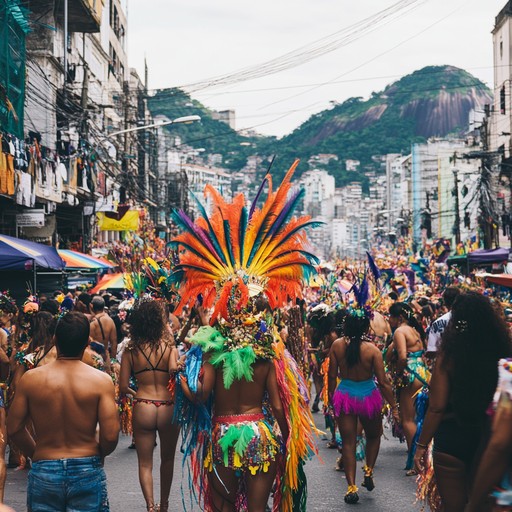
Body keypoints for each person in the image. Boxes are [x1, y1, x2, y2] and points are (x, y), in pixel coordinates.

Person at [6, 311, 119, 511]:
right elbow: (110, 436)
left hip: (45, 467)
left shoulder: (31, 379)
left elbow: (14, 428)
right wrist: (96, 454)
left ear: (55, 340)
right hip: (87, 466)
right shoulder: (101, 381)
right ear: (86, 344)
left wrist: (36, 453)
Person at [414, 292, 512, 512]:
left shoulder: (448, 355)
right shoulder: (503, 352)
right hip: (490, 437)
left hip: (452, 438)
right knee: (483, 505)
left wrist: (421, 446)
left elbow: (437, 407)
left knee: (454, 507)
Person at [328, 309, 399, 504]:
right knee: (374, 435)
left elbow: (332, 375)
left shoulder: (336, 346)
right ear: (366, 327)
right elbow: (383, 383)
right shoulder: (373, 350)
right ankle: (368, 470)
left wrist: (331, 400)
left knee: (349, 443)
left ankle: (351, 486)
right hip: (369, 396)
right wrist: (394, 406)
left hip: (345, 395)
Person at [119, 299, 179, 512]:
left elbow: (123, 385)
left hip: (143, 404)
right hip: (167, 405)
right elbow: (174, 375)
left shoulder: (130, 349)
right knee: (168, 459)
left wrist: (138, 394)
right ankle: (164, 505)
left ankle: (150, 506)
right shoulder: (170, 346)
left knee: (145, 463)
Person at [387, 302, 428, 472]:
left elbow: (403, 357)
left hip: (410, 374)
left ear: (399, 317)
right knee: (419, 419)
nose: (389, 320)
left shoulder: (400, 331)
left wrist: (397, 374)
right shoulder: (414, 330)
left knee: (408, 420)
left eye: (391, 316)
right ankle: (423, 459)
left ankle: (415, 463)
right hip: (422, 373)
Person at [425, 286, 460, 357]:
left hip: (445, 364)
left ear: (444, 302)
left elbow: (432, 351)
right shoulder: (470, 319)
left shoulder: (437, 323)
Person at [89, 295, 117, 372]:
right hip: (106, 357)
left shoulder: (93, 323)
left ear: (92, 306)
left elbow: (88, 343)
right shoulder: (110, 320)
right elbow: (114, 343)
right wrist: (113, 361)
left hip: (93, 358)